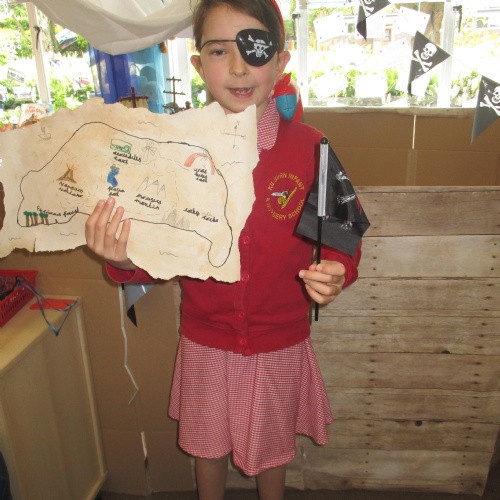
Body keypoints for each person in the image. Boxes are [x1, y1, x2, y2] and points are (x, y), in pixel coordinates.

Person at [85, 0, 362, 499]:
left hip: (279, 340)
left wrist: (336, 271)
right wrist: (124, 259)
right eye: (218, 51)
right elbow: (157, 250)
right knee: (206, 449)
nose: (237, 67)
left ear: (280, 61)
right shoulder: (174, 150)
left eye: (255, 50)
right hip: (206, 341)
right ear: (197, 65)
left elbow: (343, 232)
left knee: (272, 452)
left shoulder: (310, 147)